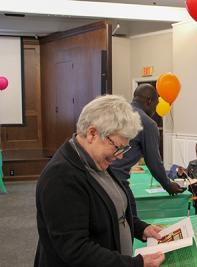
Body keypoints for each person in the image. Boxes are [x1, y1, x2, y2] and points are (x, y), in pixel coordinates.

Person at [35, 95, 165, 267]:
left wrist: (141, 228)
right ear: (92, 133)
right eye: (117, 147)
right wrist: (135, 264)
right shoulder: (61, 176)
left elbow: (111, 210)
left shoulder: (94, 160)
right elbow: (76, 250)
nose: (120, 156)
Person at [110, 83, 183, 195]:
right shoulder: (147, 123)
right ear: (149, 101)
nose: (155, 110)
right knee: (130, 211)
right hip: (116, 180)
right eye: (156, 104)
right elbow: (153, 161)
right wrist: (168, 185)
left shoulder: (117, 114)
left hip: (97, 174)